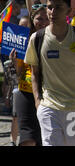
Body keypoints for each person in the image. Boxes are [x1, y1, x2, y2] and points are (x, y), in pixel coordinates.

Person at [24, 0, 75, 146]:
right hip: (49, 108)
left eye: (58, 8)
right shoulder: (37, 38)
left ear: (69, 11)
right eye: (49, 7)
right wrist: (38, 101)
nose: (52, 12)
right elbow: (35, 73)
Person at [11, 11, 48, 146]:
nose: (43, 22)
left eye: (46, 18)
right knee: (28, 138)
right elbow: (20, 72)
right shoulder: (24, 41)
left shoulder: (56, 39)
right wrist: (15, 61)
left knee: (45, 138)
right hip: (25, 93)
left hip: (48, 95)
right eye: (39, 18)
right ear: (33, 20)